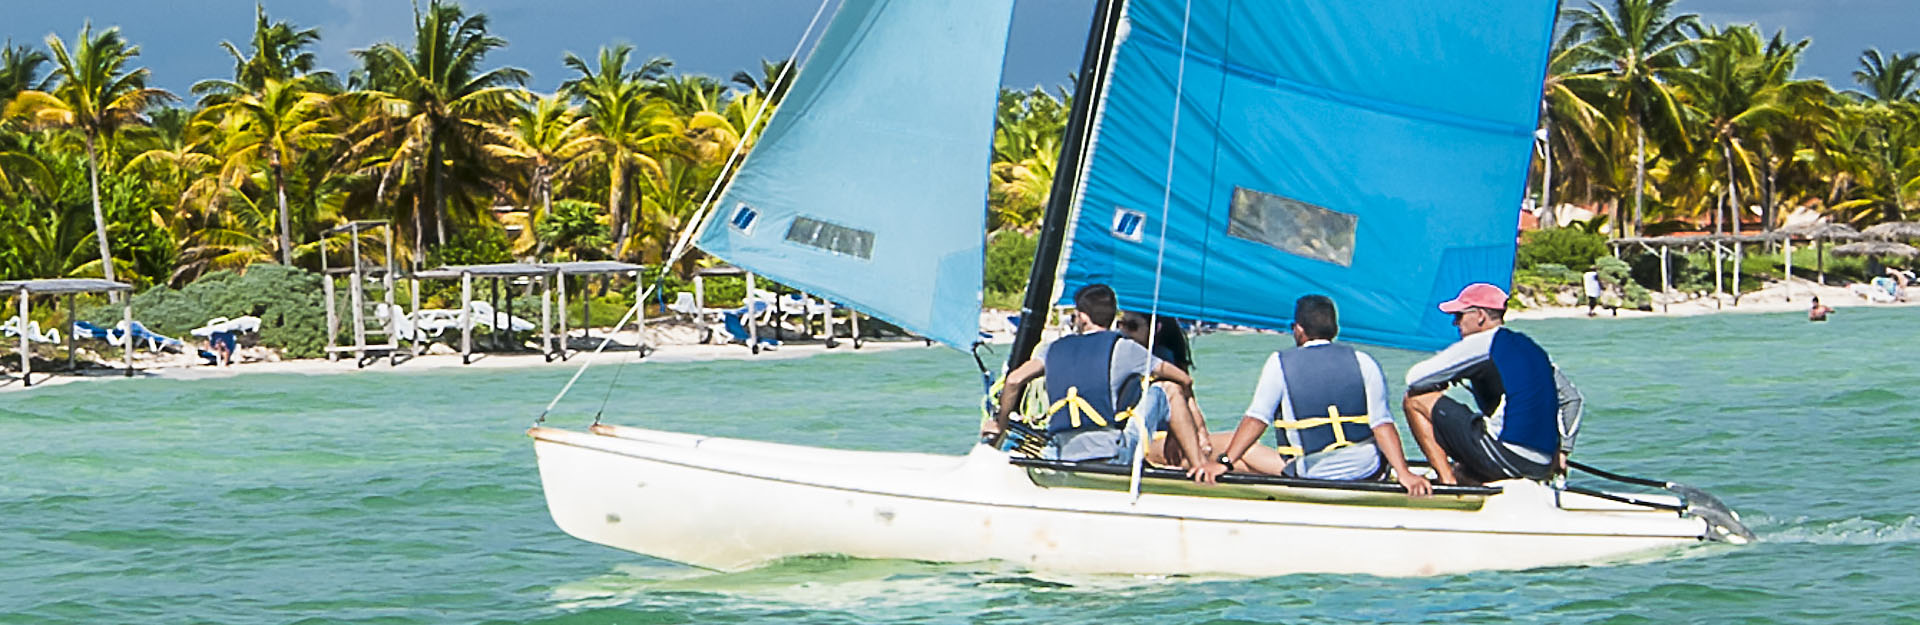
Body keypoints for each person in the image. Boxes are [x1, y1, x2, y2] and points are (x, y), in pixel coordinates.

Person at [1200, 295, 1431, 496]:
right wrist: (1403, 473)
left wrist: (1225, 462)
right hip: (1370, 469)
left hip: (1314, 474)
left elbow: (1257, 420)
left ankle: (1197, 468)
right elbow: (1382, 424)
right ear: (1335, 329)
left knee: (1234, 450)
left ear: (1298, 330)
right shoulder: (1364, 361)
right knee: (1239, 453)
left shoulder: (1279, 363)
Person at [983, 284, 1215, 481]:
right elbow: (1184, 379)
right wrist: (1177, 429)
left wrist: (1001, 424)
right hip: (1112, 454)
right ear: (1113, 317)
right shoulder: (1126, 349)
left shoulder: (1051, 349)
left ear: (1082, 317)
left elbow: (1013, 381)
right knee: (1168, 388)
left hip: (1062, 454)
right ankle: (1199, 466)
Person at [1401, 283, 1584, 486]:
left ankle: (1447, 482)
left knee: (1414, 398)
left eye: (1459, 316)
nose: (1455, 323)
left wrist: (1445, 377)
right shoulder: (1531, 348)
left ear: (1479, 315)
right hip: (1542, 464)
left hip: (1509, 456)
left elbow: (1414, 378)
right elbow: (1571, 399)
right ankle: (1465, 476)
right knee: (1467, 463)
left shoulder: (1484, 342)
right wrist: (1563, 451)